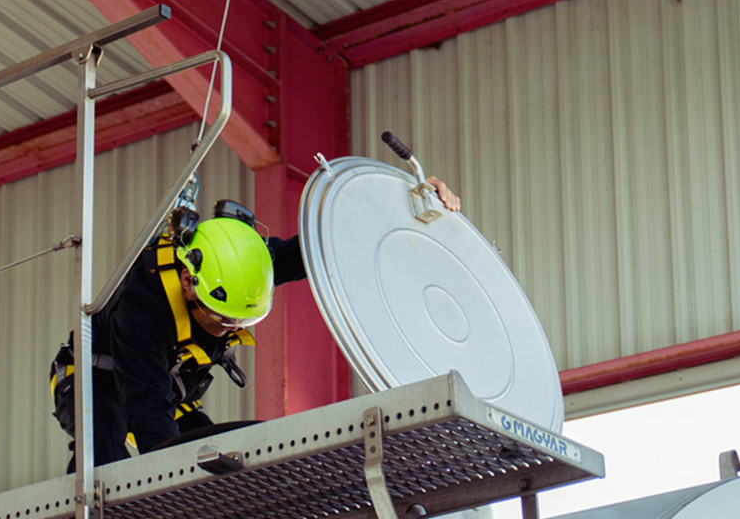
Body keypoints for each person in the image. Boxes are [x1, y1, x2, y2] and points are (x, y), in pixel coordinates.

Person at [50, 177, 461, 467]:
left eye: (240, 322)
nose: (229, 330)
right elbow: (151, 422)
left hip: (168, 388)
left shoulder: (246, 260)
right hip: (96, 378)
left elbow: (327, 246)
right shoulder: (143, 305)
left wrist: (410, 208)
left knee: (229, 457)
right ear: (190, 284)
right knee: (106, 457)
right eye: (222, 318)